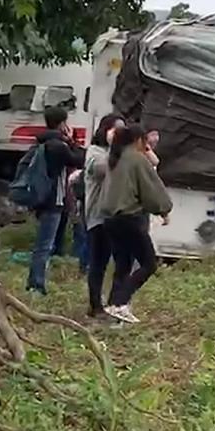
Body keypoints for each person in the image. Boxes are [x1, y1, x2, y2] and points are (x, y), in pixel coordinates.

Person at [99, 125, 172, 324]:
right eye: (145, 142)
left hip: (111, 220)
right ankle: (120, 303)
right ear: (139, 140)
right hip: (129, 219)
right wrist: (163, 209)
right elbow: (151, 189)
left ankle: (115, 312)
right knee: (149, 263)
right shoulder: (136, 159)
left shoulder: (115, 158)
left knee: (122, 266)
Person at [27, 107, 85, 295]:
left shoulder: (41, 142)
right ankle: (36, 285)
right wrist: (71, 141)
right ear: (62, 124)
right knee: (44, 245)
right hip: (54, 200)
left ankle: (35, 281)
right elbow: (79, 159)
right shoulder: (58, 146)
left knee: (43, 244)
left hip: (41, 198)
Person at [83, 114, 125, 317]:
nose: (118, 134)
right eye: (115, 130)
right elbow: (100, 169)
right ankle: (95, 305)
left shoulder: (118, 153)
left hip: (117, 216)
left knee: (120, 262)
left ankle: (114, 304)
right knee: (98, 263)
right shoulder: (95, 152)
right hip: (98, 215)